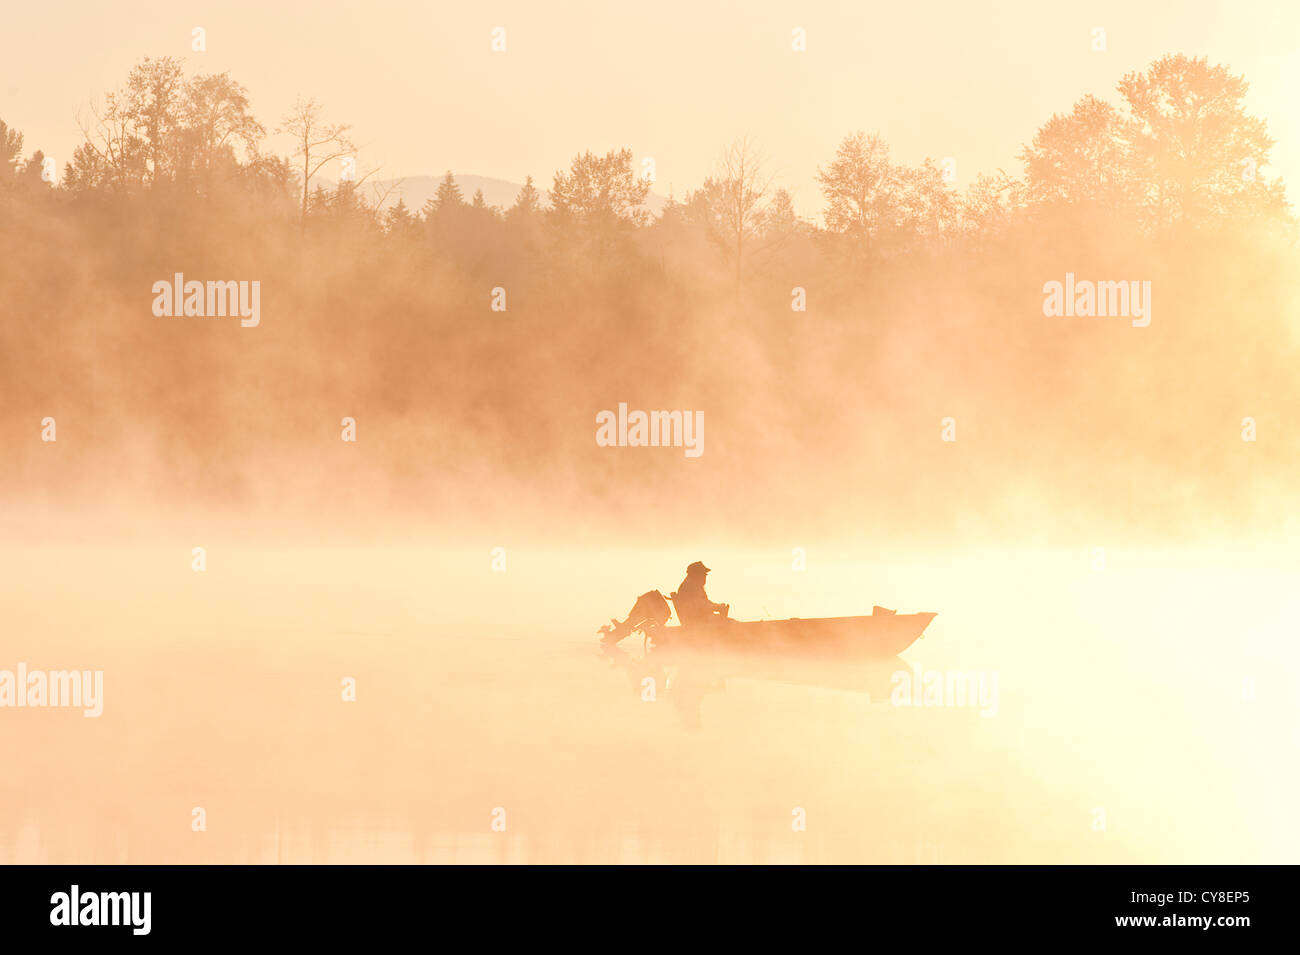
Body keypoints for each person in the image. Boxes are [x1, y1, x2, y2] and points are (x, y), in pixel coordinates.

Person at [670, 561, 729, 628]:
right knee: (732, 625)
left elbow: (704, 602)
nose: (705, 576)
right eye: (703, 574)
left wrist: (717, 605)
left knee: (731, 623)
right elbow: (701, 606)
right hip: (699, 625)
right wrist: (717, 607)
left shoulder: (694, 585)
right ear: (696, 574)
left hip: (702, 621)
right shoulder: (690, 587)